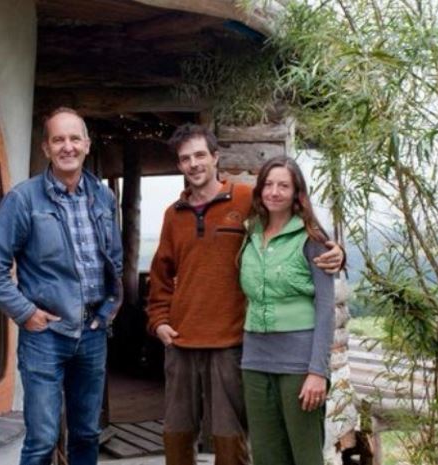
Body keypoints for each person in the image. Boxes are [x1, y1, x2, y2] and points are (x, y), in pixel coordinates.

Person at [147, 124, 343, 465]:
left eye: (200, 156)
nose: (193, 164)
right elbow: (161, 273)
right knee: (177, 430)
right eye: (185, 159)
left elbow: (291, 219)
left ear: (215, 158)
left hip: (231, 340)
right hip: (181, 338)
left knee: (230, 434)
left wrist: (334, 249)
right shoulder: (172, 215)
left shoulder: (245, 201)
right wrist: (159, 321)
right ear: (179, 166)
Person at [0, 107, 122, 465]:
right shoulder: (24, 199)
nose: (67, 147)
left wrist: (107, 311)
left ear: (87, 144)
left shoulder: (104, 198)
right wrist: (26, 314)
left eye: (75, 138)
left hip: (92, 332)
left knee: (87, 434)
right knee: (42, 440)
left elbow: (115, 261)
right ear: (46, 148)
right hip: (45, 334)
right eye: (58, 139)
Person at [239, 156, 334, 465]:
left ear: (297, 193)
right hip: (255, 361)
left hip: (299, 364)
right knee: (266, 456)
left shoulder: (313, 238)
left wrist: (318, 371)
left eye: (284, 185)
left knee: (305, 456)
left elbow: (325, 307)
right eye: (268, 184)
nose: (274, 192)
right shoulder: (250, 234)